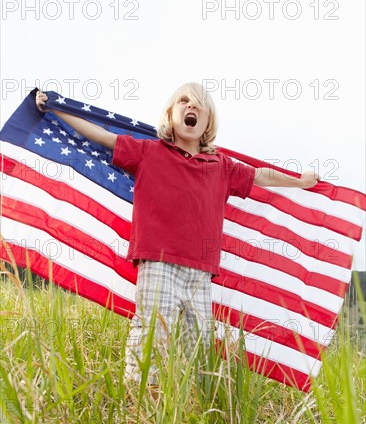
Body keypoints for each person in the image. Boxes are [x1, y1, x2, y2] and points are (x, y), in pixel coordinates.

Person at [36, 83, 319, 388]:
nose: (190, 107)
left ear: (208, 123)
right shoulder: (149, 152)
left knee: (198, 348)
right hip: (159, 264)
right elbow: (104, 137)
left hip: (201, 272)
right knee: (151, 335)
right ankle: (140, 402)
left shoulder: (221, 166)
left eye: (199, 104)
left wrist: (300, 182)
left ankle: (190, 407)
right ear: (170, 116)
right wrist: (56, 107)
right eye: (183, 102)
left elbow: (260, 175)